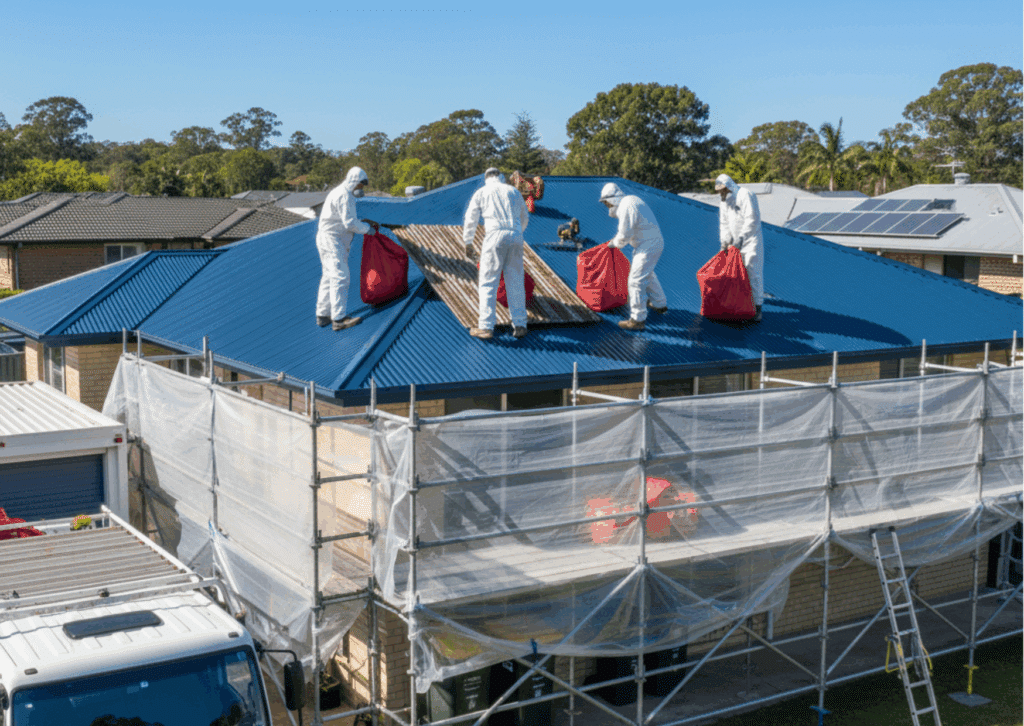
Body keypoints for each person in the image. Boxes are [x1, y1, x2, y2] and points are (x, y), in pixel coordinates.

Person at [463, 167, 530, 340]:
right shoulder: (513, 191)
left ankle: (486, 326)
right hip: (516, 236)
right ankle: (520, 324)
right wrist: (517, 232)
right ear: (501, 177)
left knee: (488, 281)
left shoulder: (482, 192)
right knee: (515, 280)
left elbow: (471, 218)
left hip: (495, 235)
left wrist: (468, 241)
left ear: (486, 178)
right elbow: (524, 217)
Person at [315, 167, 378, 331]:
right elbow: (349, 223)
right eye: (361, 185)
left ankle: (323, 315)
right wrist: (368, 229)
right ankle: (339, 319)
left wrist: (362, 222)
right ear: (354, 182)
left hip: (327, 238)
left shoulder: (341, 192)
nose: (361, 188)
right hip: (332, 240)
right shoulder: (344, 196)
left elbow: (345, 218)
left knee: (329, 276)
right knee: (340, 276)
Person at [599, 182, 668, 331]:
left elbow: (625, 234)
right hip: (650, 243)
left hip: (647, 246)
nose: (607, 206)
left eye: (606, 203)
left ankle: (637, 319)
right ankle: (660, 304)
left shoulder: (626, 205)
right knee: (647, 274)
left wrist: (613, 244)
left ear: (612, 199)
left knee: (635, 281)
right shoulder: (630, 201)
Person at [715, 173, 764, 322]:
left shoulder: (745, 195)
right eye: (719, 191)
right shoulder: (724, 202)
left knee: (752, 272)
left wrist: (742, 237)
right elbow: (724, 223)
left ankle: (757, 308)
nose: (722, 193)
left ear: (729, 186)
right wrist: (725, 241)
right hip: (734, 243)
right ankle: (741, 305)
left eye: (723, 190)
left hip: (750, 241)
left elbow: (752, 219)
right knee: (736, 274)